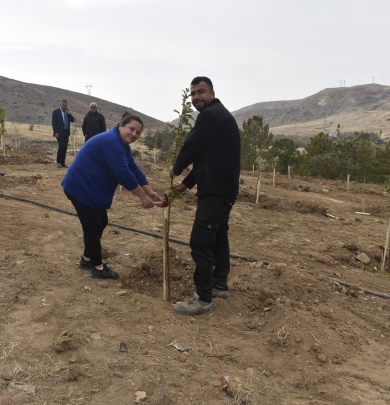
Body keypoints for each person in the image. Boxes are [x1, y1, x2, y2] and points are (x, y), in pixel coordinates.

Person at [169, 77, 241, 316]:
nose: (196, 97)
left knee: (201, 242)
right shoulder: (219, 115)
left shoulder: (210, 116)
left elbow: (193, 146)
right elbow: (210, 158)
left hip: (216, 192)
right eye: (192, 94)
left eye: (201, 92)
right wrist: (188, 184)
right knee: (219, 238)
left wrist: (177, 168)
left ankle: (202, 299)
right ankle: (219, 285)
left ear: (212, 92)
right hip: (223, 190)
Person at [62, 113, 163, 280]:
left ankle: (87, 259)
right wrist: (143, 198)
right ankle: (98, 268)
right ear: (120, 125)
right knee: (93, 227)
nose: (134, 134)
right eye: (131, 129)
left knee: (101, 222)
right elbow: (123, 175)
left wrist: (149, 191)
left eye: (138, 132)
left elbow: (134, 169)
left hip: (90, 188)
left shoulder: (123, 145)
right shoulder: (111, 142)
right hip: (80, 187)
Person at [52, 100, 75, 168]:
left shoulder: (67, 113)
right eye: (63, 105)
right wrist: (55, 132)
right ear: (60, 105)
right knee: (61, 146)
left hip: (66, 132)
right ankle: (58, 162)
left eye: (65, 105)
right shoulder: (56, 112)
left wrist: (69, 113)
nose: (64, 107)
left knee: (65, 147)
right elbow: (54, 123)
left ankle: (63, 162)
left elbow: (72, 120)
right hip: (59, 133)